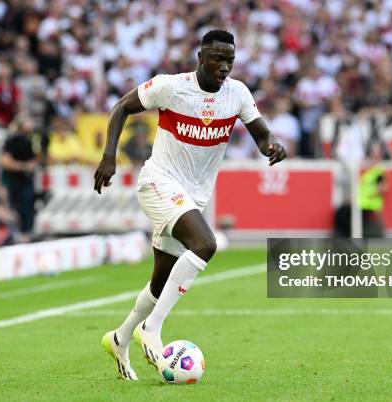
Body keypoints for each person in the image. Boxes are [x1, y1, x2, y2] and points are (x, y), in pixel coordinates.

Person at [94, 30, 286, 380]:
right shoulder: (171, 86)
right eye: (216, 58)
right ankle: (151, 328)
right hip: (158, 182)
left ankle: (119, 338)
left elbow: (261, 133)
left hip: (194, 193)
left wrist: (272, 145)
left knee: (160, 279)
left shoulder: (237, 93)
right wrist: (109, 156)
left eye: (229, 60)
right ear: (200, 57)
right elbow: (121, 107)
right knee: (205, 244)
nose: (224, 66)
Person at [1, 115, 39, 242]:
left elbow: (34, 160)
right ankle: (15, 234)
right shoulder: (12, 140)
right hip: (14, 180)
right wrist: (24, 166)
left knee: (27, 207)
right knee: (15, 208)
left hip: (26, 180)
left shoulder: (30, 141)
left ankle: (25, 234)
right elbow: (6, 162)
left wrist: (31, 165)